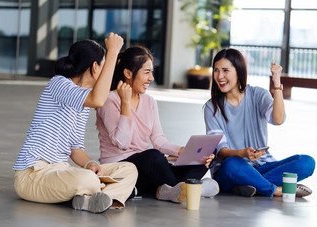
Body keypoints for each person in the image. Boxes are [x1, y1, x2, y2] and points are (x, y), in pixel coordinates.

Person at [13, 33, 138, 213]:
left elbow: (75, 149)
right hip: (33, 174)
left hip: (62, 170)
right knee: (87, 180)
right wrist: (113, 52)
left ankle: (96, 199)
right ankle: (100, 193)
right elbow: (98, 100)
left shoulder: (83, 103)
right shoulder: (58, 83)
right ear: (95, 67)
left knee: (128, 169)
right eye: (104, 65)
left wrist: (91, 165)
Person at [96, 46, 219, 203]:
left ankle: (169, 190)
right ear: (128, 73)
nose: (151, 78)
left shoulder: (149, 101)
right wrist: (125, 103)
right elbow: (123, 143)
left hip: (146, 168)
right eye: (147, 72)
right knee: (154, 157)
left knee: (203, 158)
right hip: (121, 168)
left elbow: (159, 140)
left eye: (151, 72)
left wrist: (184, 152)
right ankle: (193, 189)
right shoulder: (110, 100)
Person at [204, 48, 315, 197]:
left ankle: (248, 185)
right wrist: (243, 153)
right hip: (231, 170)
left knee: (307, 162)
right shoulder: (212, 107)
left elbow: (278, 119)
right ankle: (275, 190)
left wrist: (277, 82)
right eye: (216, 70)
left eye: (225, 70)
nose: (219, 76)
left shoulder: (258, 95)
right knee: (232, 164)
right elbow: (222, 152)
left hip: (263, 166)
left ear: (239, 71)